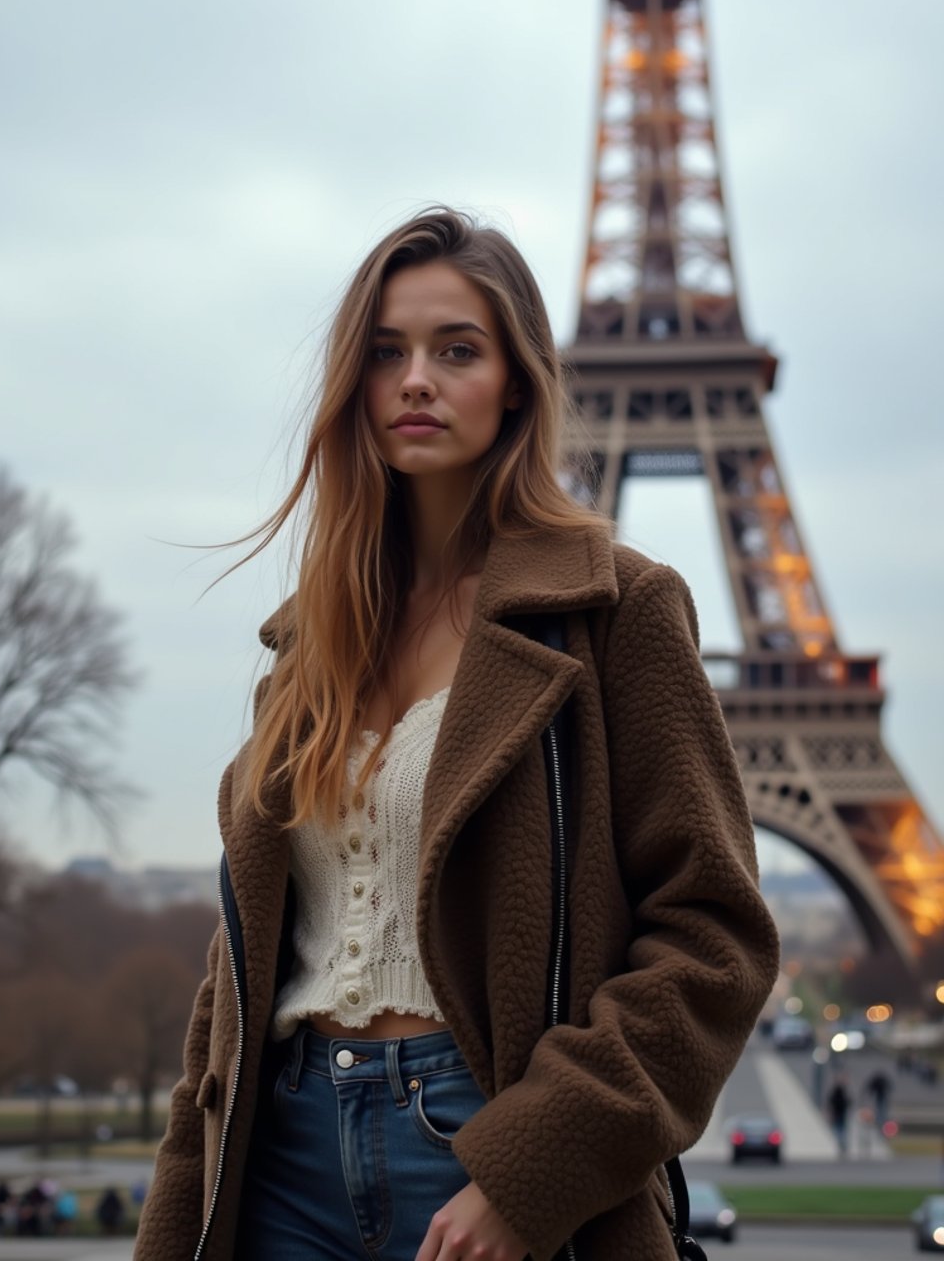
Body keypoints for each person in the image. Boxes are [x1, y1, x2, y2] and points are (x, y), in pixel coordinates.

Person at [133, 209, 779, 1261]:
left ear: (516, 380)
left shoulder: (616, 610)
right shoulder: (314, 642)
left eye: (456, 350)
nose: (416, 380)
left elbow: (715, 939)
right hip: (277, 1160)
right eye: (385, 352)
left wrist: (530, 1171)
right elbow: (240, 972)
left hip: (481, 1144)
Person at [827, 1077, 852, 1156]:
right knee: (842, 1130)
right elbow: (848, 1102)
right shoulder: (843, 1094)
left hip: (837, 1114)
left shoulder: (835, 1094)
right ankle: (843, 1145)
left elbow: (830, 1103)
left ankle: (840, 1144)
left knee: (838, 1130)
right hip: (842, 1114)